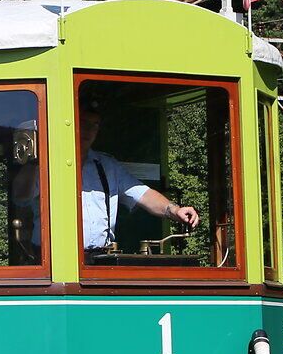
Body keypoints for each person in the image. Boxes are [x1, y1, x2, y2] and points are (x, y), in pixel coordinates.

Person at [79, 91, 199, 250]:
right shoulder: (45, 165)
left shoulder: (108, 166)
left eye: (95, 125)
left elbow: (143, 194)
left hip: (99, 261)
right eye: (84, 122)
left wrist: (174, 210)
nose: (89, 130)